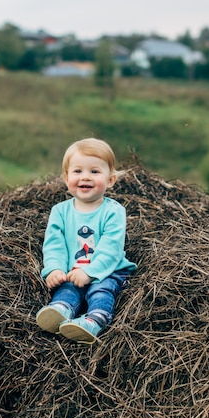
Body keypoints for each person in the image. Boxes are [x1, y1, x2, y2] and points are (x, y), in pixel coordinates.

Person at [36, 138, 136, 344]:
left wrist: (90, 272)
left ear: (111, 180)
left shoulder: (113, 211)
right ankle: (61, 310)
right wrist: (54, 269)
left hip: (107, 269)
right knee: (67, 289)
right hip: (74, 269)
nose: (86, 177)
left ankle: (95, 319)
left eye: (95, 171)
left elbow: (111, 248)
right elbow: (55, 244)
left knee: (101, 289)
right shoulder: (60, 211)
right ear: (65, 177)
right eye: (78, 171)